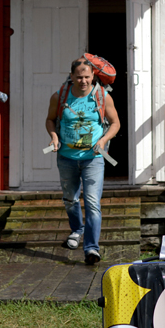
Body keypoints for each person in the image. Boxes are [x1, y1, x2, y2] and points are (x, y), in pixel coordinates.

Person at [45, 56, 120, 265]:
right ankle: (77, 229)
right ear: (72, 76)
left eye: (87, 77)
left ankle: (91, 248)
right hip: (66, 158)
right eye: (79, 77)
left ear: (93, 75)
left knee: (93, 203)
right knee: (70, 199)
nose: (83, 81)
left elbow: (115, 123)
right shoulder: (60, 96)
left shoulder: (102, 96)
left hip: (93, 159)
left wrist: (103, 140)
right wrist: (54, 137)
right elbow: (50, 119)